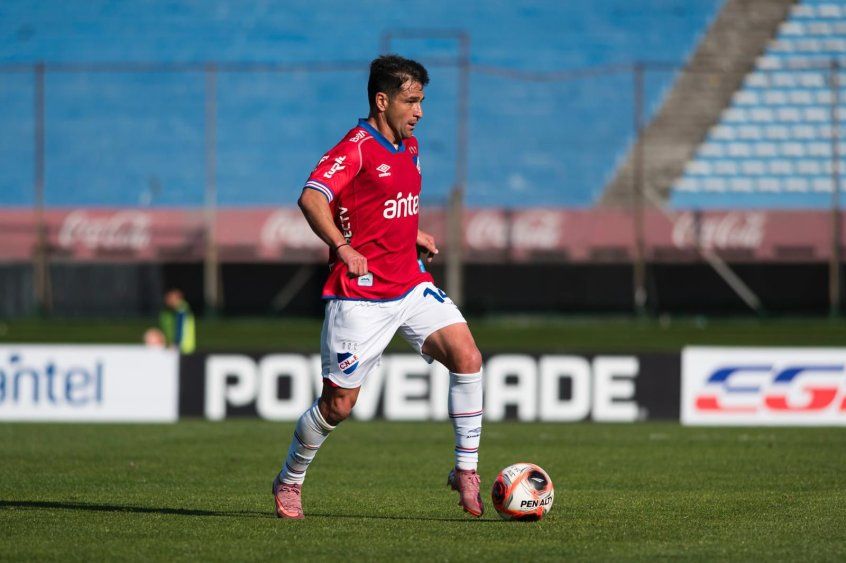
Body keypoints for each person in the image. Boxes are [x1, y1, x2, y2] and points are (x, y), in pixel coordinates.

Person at [272, 54, 484, 519]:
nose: (420, 111)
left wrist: (414, 233)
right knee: (338, 406)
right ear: (382, 100)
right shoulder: (357, 147)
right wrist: (343, 247)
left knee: (467, 357)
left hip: (409, 284)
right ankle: (290, 477)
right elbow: (311, 198)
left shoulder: (409, 147)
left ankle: (466, 470)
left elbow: (387, 207)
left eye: (422, 101)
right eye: (411, 101)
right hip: (361, 296)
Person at [159, 288, 196, 354]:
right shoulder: (170, 312)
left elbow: (180, 327)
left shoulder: (181, 310)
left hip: (183, 347)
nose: (167, 300)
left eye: (170, 298)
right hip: (177, 346)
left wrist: (176, 343)